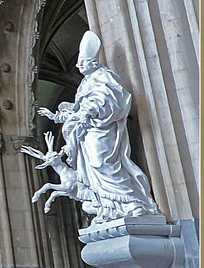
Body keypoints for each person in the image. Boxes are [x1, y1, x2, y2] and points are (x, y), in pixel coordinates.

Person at [37, 30, 158, 222]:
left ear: (92, 62)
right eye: (78, 62)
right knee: (95, 167)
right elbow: (75, 110)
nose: (78, 66)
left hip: (100, 130)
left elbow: (114, 98)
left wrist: (92, 109)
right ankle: (109, 209)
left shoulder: (103, 76)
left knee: (103, 163)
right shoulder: (84, 83)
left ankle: (132, 203)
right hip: (87, 134)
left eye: (82, 62)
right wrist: (56, 116)